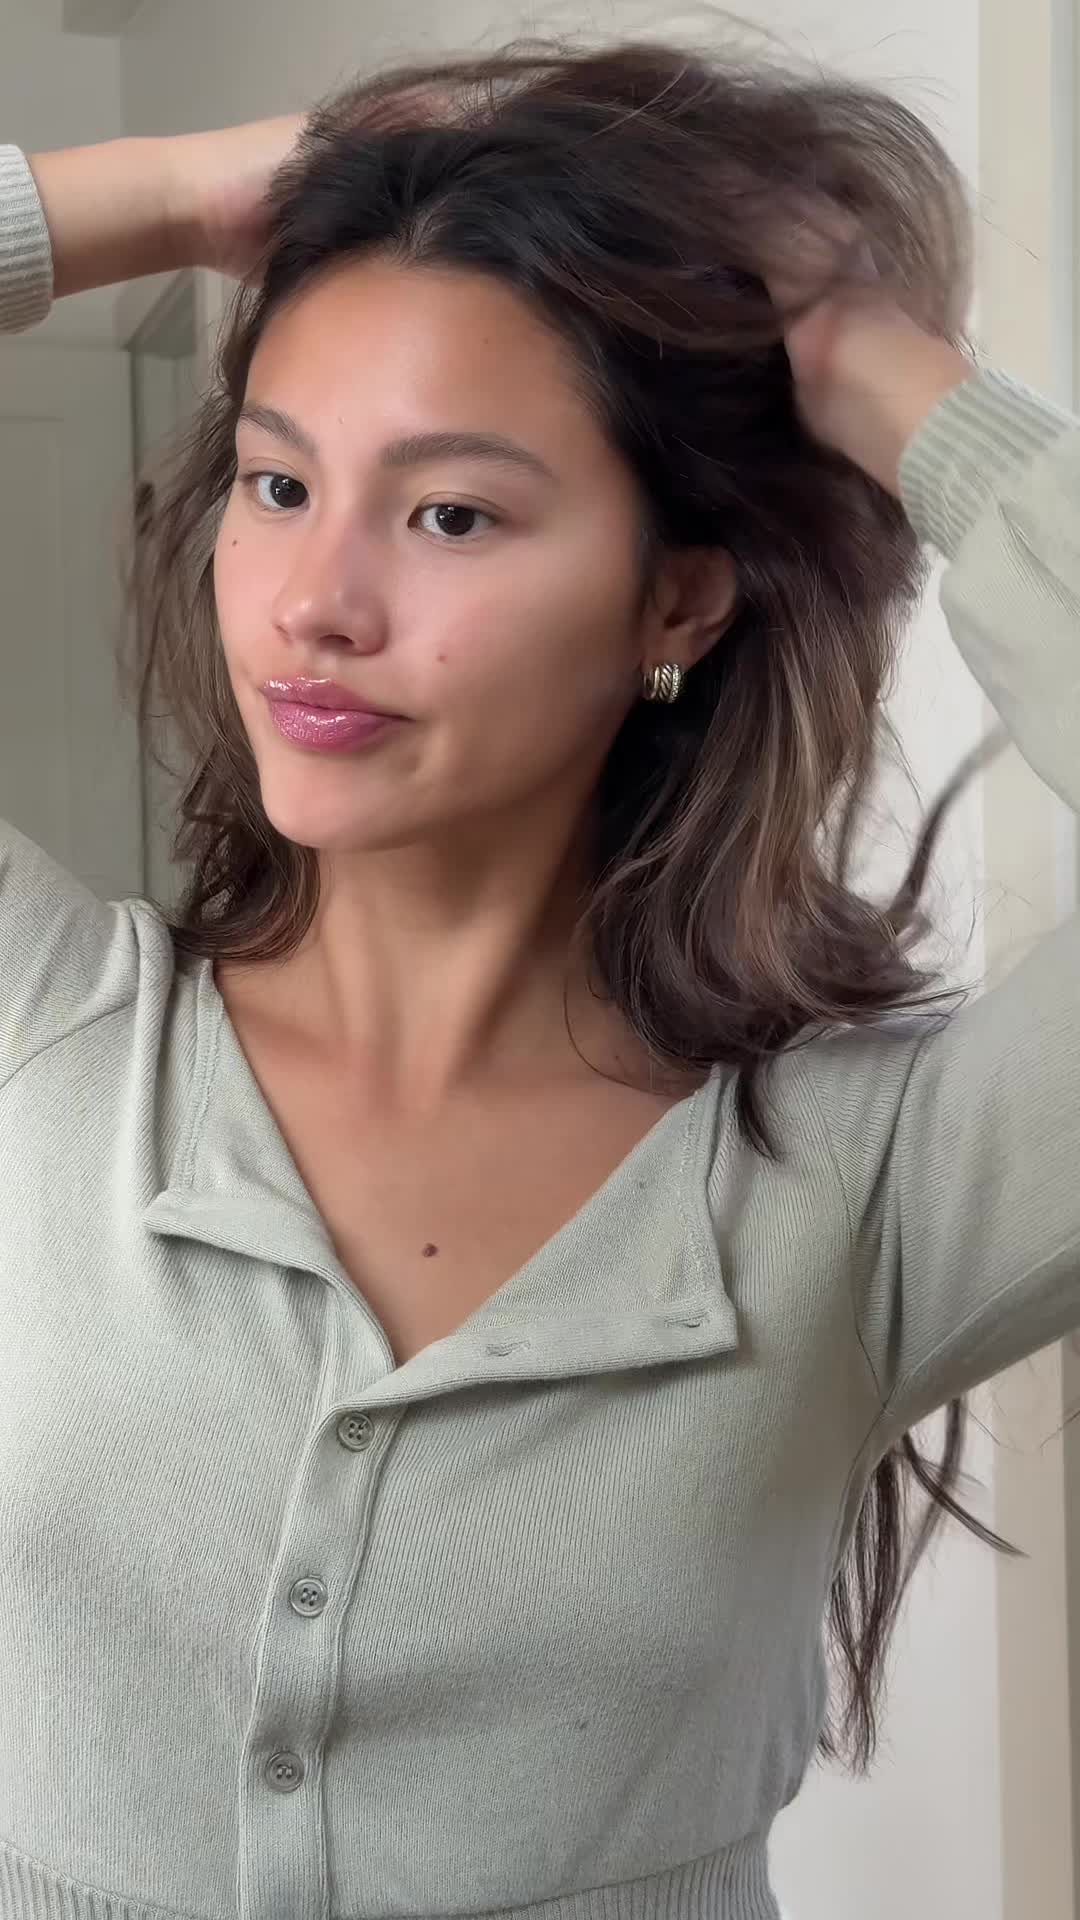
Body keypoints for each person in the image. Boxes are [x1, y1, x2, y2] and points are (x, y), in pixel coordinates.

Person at [0, 32, 1076, 1920]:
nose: (316, 602)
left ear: (679, 598)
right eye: (276, 484)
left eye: (451, 514)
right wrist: (165, 195)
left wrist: (872, 362)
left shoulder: (875, 1184)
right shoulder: (45, 1032)